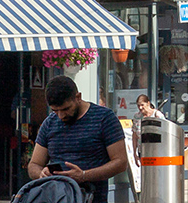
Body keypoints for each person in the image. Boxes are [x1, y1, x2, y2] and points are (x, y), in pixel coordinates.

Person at [28, 75, 129, 203]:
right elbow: (34, 165)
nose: (61, 115)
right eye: (55, 111)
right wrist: (41, 174)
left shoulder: (104, 118)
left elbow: (121, 162)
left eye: (65, 109)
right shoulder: (49, 123)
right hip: (56, 198)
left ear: (78, 97)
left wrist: (84, 175)